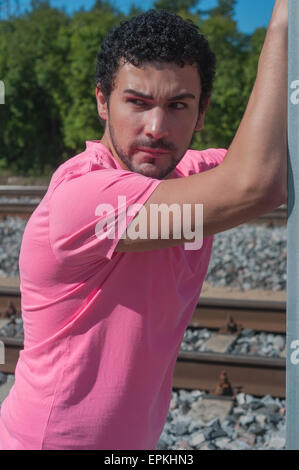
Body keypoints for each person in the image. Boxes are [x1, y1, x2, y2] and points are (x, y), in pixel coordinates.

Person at [0, 1, 287, 450]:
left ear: (202, 112)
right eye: (137, 102)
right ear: (102, 101)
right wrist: (285, 23)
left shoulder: (191, 176)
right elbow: (258, 185)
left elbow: (275, 164)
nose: (157, 126)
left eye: (177, 105)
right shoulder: (82, 199)